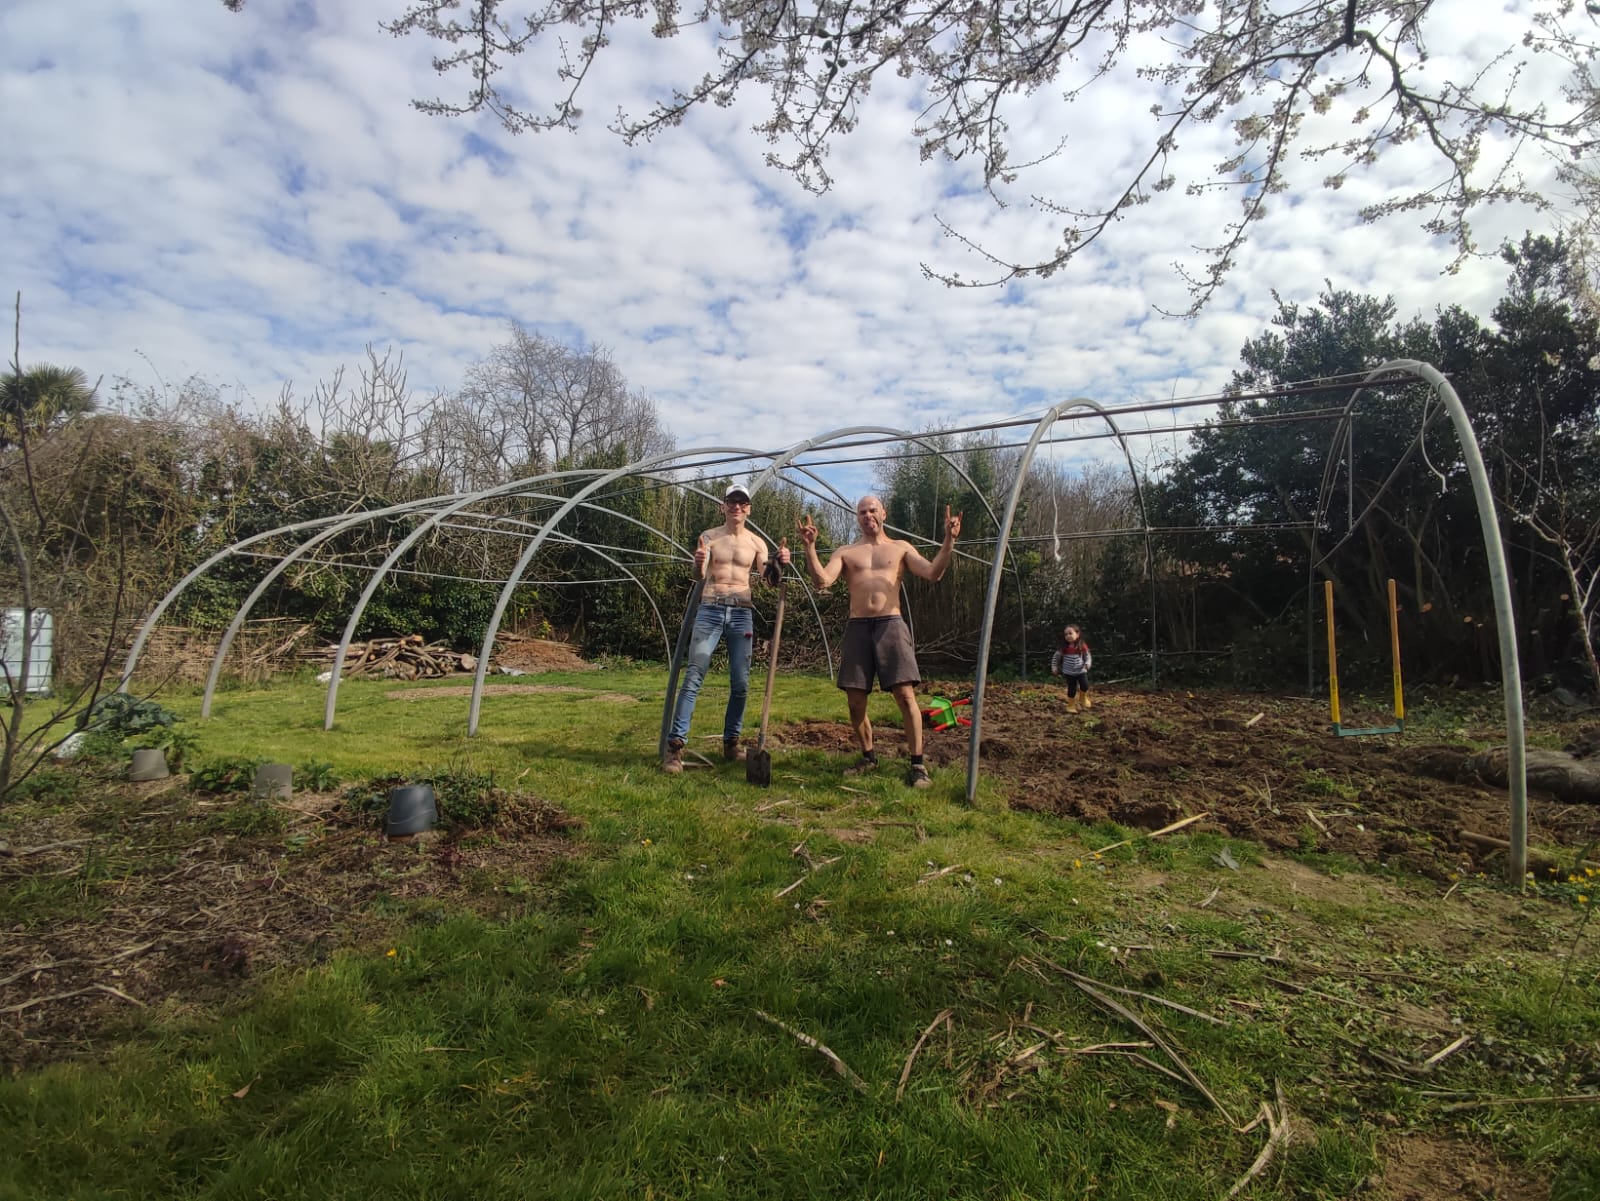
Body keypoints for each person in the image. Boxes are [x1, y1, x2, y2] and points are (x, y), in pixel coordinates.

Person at [797, 496, 962, 789]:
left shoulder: (900, 548)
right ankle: (869, 757)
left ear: (883, 513)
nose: (867, 515)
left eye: (872, 509)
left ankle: (917, 765)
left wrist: (948, 541)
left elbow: (933, 572)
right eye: (862, 512)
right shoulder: (847, 552)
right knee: (855, 701)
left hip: (891, 625)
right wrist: (810, 548)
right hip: (858, 627)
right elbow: (822, 581)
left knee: (905, 696)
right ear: (857, 518)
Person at [662, 483, 790, 774]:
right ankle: (675, 748)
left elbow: (769, 580)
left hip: (742, 612)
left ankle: (731, 744)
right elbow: (699, 575)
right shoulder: (709, 538)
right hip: (710, 608)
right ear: (723, 507)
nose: (736, 507)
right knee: (695, 673)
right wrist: (697, 564)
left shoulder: (757, 543)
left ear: (748, 509)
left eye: (742, 503)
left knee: (741, 683)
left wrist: (780, 563)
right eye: (731, 502)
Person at [1051, 624, 1092, 711]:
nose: (1068, 636)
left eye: (1070, 633)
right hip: (1069, 673)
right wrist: (1054, 667)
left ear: (1077, 634)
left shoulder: (1082, 646)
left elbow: (1087, 656)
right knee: (1071, 689)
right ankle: (1071, 705)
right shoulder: (1063, 648)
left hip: (1081, 671)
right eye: (1066, 634)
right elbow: (1056, 658)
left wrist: (1087, 664)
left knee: (1085, 685)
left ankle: (1083, 698)